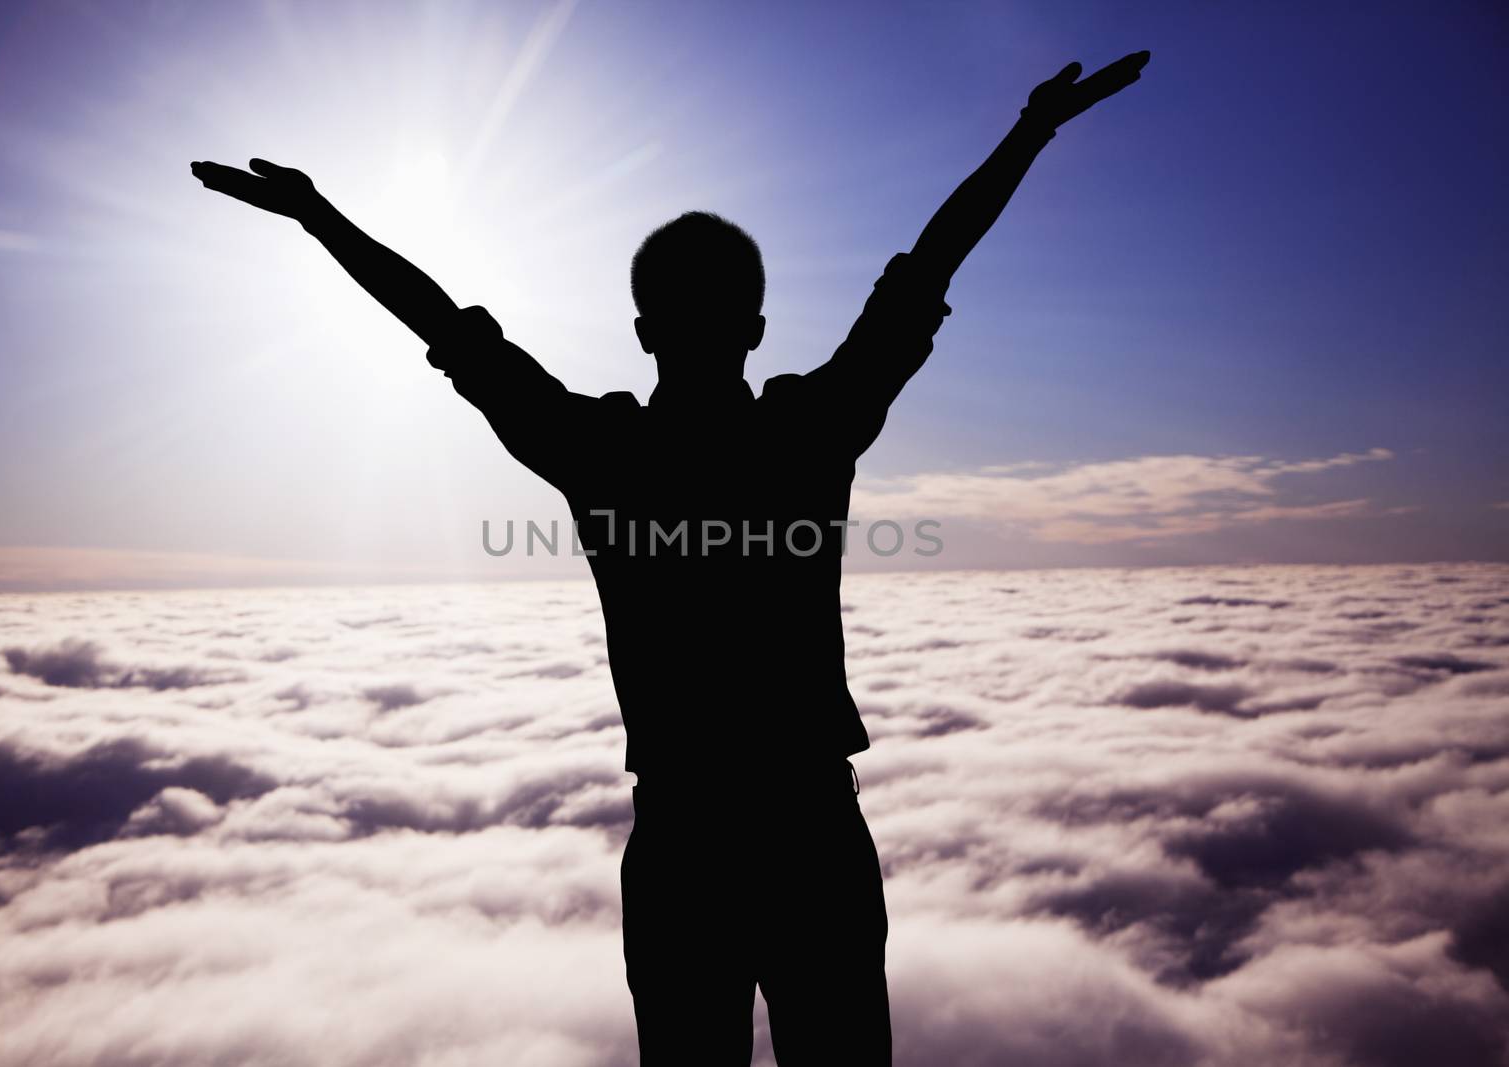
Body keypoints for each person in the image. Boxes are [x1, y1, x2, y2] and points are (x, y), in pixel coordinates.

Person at [192, 51, 1149, 1066]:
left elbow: (450, 330)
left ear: (643, 330)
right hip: (809, 836)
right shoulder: (809, 429)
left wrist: (319, 218)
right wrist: (1030, 132)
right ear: (757, 328)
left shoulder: (599, 451)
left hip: (683, 847)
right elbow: (924, 270)